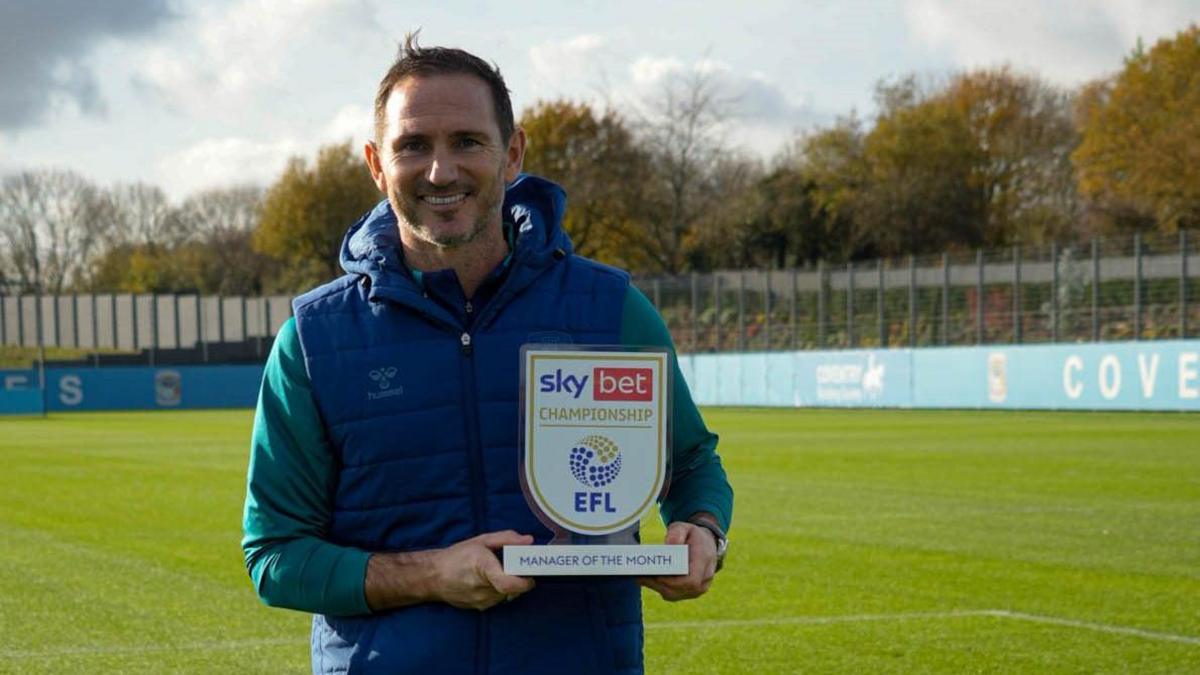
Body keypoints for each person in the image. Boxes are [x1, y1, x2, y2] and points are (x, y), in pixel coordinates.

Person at [241, 35, 733, 675]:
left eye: (467, 141)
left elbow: (690, 461)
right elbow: (276, 557)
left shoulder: (609, 309)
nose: (441, 171)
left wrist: (701, 529)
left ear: (513, 155)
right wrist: (429, 575)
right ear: (375, 164)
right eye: (413, 146)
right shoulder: (315, 338)